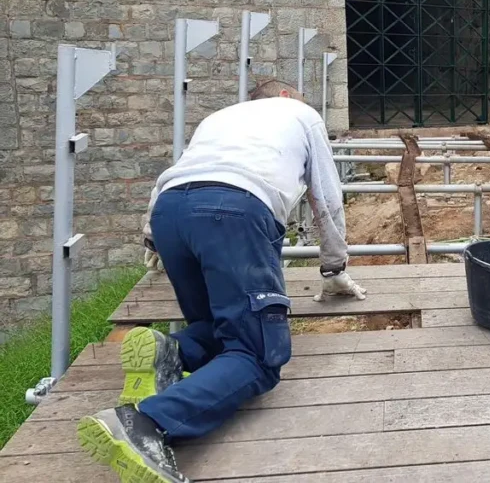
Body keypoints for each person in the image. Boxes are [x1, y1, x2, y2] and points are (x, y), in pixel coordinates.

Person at [76, 81, 368, 483]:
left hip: (170, 214)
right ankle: (147, 423)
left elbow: (176, 173)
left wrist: (152, 237)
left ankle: (172, 353)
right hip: (233, 210)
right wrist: (333, 267)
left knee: (221, 324)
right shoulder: (302, 116)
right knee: (258, 355)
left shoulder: (219, 118)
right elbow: (327, 196)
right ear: (284, 97)